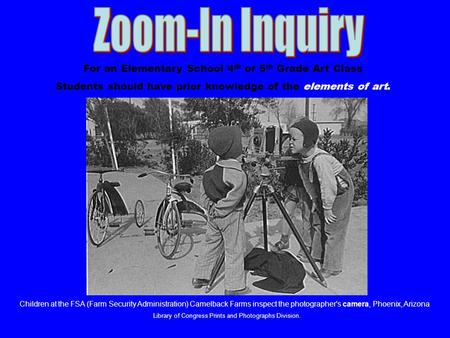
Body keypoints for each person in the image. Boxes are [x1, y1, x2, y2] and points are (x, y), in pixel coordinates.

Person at [287, 118, 354, 278]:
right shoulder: (302, 158)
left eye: (294, 139)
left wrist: (328, 208)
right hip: (325, 191)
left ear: (308, 141)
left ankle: (332, 266)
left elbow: (328, 186)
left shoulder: (320, 160)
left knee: (333, 227)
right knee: (316, 220)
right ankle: (316, 254)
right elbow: (308, 183)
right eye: (290, 138)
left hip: (340, 191)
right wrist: (315, 200)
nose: (290, 142)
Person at [192, 125, 250, 295]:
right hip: (230, 216)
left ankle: (200, 276)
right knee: (234, 250)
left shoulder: (209, 172)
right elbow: (234, 196)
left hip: (213, 217)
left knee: (210, 244)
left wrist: (210, 208)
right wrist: (220, 209)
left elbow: (203, 193)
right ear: (234, 149)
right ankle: (234, 287)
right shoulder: (237, 173)